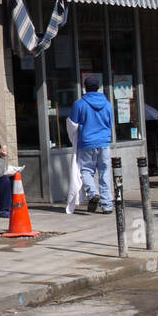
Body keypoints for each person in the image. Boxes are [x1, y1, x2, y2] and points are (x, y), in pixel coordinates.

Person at [70, 75, 114, 213]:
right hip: (104, 142)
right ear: (98, 87)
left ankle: (93, 193)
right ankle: (107, 205)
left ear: (85, 87)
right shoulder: (107, 104)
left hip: (87, 142)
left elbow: (72, 123)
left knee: (86, 170)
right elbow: (110, 123)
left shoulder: (79, 104)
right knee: (105, 172)